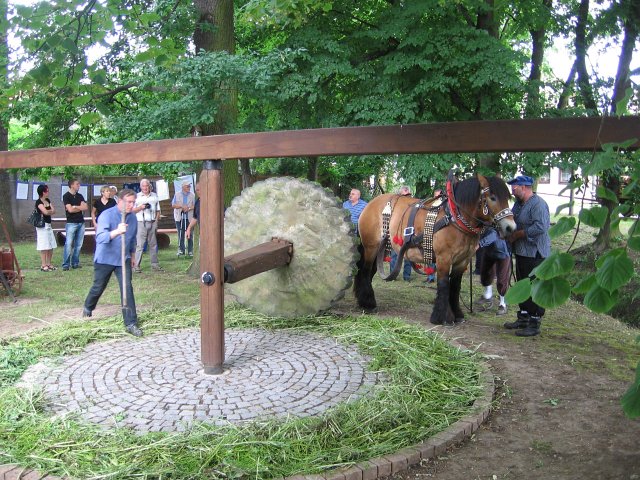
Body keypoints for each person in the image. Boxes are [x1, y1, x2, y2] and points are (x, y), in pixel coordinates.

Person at [82, 189, 143, 337]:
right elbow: (101, 237)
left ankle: (131, 323)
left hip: (123, 259)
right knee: (98, 286)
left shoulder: (133, 218)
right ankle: (88, 307)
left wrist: (133, 255)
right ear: (119, 201)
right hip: (105, 259)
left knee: (127, 288)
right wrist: (117, 231)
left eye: (133, 202)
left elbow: (132, 239)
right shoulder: (106, 215)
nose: (131, 205)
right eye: (128, 202)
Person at [504, 175, 551, 337]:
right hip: (522, 252)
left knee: (534, 288)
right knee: (522, 285)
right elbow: (512, 220)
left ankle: (534, 321)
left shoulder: (538, 204)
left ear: (524, 187)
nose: (512, 189)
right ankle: (523, 317)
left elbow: (541, 227)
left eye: (514, 187)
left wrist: (519, 234)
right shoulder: (518, 204)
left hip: (536, 253)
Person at [474, 226, 511, 315]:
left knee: (502, 279)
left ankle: (503, 303)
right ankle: (488, 295)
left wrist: (479, 244)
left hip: (502, 253)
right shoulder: (483, 223)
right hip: (489, 252)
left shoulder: (496, 224)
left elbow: (493, 235)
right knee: (485, 273)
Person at [133, 179, 163, 273]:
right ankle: (136, 266)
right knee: (140, 245)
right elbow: (132, 210)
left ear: (149, 186)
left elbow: (158, 210)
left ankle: (155, 265)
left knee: (153, 244)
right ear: (140, 187)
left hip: (153, 221)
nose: (145, 188)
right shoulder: (136, 197)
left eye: (147, 186)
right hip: (141, 222)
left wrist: (156, 221)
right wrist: (140, 207)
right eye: (143, 186)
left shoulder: (154, 196)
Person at [62, 179, 88, 271]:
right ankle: (66, 264)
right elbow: (70, 210)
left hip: (81, 222)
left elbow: (85, 207)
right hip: (71, 223)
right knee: (68, 244)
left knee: (78, 244)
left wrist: (76, 206)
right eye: (77, 184)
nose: (79, 185)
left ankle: (75, 263)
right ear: (72, 185)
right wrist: (78, 208)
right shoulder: (66, 196)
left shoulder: (80, 196)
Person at [390, 186, 412, 281]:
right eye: (404, 194)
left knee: (408, 255)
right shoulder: (396, 204)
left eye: (408, 194)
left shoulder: (414, 203)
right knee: (395, 254)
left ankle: (407, 276)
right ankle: (393, 275)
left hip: (409, 232)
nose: (406, 196)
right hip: (397, 232)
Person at [35, 184, 57, 271]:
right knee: (44, 245)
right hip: (42, 226)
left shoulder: (47, 200)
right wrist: (49, 211)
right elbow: (45, 212)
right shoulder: (38, 202)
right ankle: (43, 264)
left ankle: (49, 263)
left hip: (48, 225)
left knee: (50, 245)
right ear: (43, 192)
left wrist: (49, 211)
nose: (48, 192)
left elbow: (53, 210)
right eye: (47, 191)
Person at [171, 181, 195, 256]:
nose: (189, 188)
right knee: (180, 233)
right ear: (183, 187)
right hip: (179, 217)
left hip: (189, 217)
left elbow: (194, 205)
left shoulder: (192, 195)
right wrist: (181, 207)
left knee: (190, 234)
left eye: (189, 186)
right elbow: (173, 205)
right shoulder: (177, 194)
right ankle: (181, 250)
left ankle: (190, 250)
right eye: (187, 186)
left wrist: (189, 208)